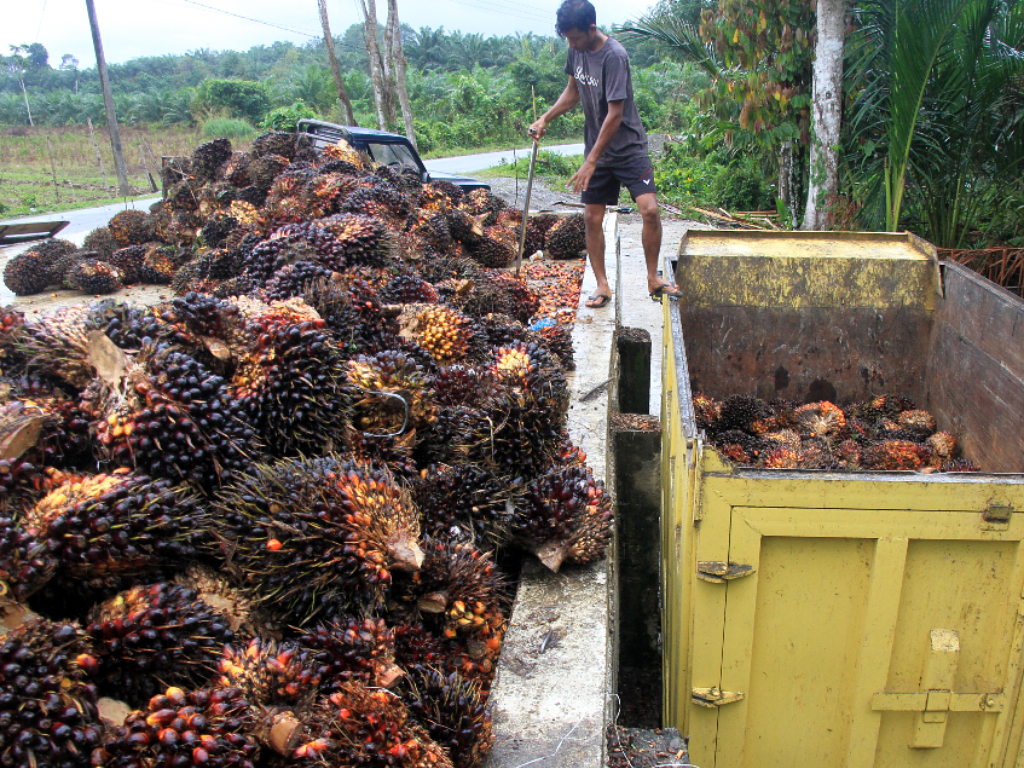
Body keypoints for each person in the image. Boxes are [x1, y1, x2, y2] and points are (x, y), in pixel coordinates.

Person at [529, 0, 680, 308]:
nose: (571, 45)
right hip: (596, 150)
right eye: (568, 39)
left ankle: (653, 278)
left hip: (627, 148)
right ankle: (601, 284)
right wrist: (546, 117)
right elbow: (572, 92)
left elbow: (614, 114)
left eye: (575, 38)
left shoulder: (615, 56)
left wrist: (591, 160)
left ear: (592, 29)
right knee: (591, 216)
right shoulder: (576, 50)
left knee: (649, 210)